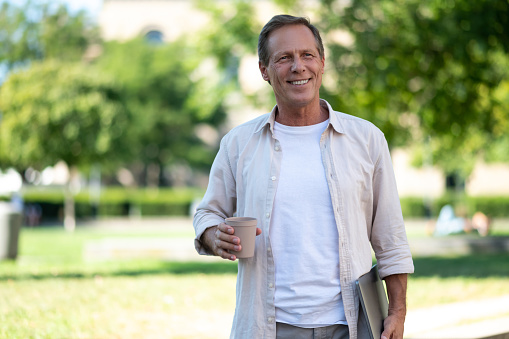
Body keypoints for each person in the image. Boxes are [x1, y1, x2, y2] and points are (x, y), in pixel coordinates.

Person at [193, 14, 414, 339]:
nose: (298, 66)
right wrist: (215, 236)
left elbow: (390, 235)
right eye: (284, 58)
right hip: (268, 328)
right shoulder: (239, 144)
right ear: (264, 71)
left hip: (352, 326)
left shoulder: (366, 139)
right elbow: (207, 213)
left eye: (307, 55)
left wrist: (397, 312)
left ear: (322, 63)